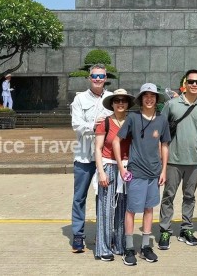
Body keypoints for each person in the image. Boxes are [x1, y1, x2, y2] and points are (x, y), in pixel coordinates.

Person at [116, 83, 170, 266]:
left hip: (154, 172)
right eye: (145, 96)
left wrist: (163, 169)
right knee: (131, 209)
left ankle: (146, 246)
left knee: (149, 208)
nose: (149, 99)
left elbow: (164, 145)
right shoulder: (133, 117)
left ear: (156, 99)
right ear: (141, 99)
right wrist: (121, 167)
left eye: (152, 96)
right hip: (136, 172)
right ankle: (129, 248)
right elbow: (117, 140)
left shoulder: (162, 120)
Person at [158, 69, 197, 250]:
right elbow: (161, 131)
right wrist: (161, 157)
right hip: (173, 159)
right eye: (191, 81)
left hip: (194, 160)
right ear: (185, 84)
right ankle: (165, 230)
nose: (194, 84)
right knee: (168, 196)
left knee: (190, 196)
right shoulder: (172, 104)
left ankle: (186, 229)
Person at [69, 64, 112, 253]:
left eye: (101, 76)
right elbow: (76, 125)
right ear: (89, 77)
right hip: (84, 156)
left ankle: (102, 234)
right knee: (80, 197)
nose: (97, 79)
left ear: (105, 77)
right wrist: (93, 125)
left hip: (105, 158)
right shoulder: (79, 99)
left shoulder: (111, 99)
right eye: (94, 76)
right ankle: (78, 236)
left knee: (103, 197)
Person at [93, 88, 134, 261]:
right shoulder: (106, 123)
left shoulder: (132, 121)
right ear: (112, 104)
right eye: (116, 100)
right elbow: (97, 148)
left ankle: (120, 244)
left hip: (126, 169)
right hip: (108, 167)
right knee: (105, 208)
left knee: (123, 208)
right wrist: (101, 172)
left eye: (123, 100)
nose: (120, 103)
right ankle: (103, 248)